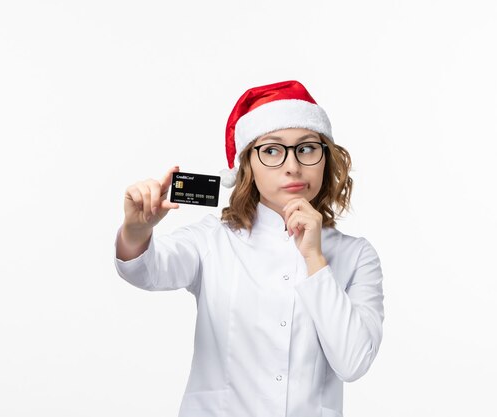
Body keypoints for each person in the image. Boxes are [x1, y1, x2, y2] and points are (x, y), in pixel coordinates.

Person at [113, 80, 385, 417]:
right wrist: (137, 231)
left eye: (307, 148)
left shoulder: (357, 256)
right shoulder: (213, 240)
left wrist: (314, 259)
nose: (293, 166)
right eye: (271, 150)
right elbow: (147, 270)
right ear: (247, 165)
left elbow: (353, 362)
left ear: (326, 158)